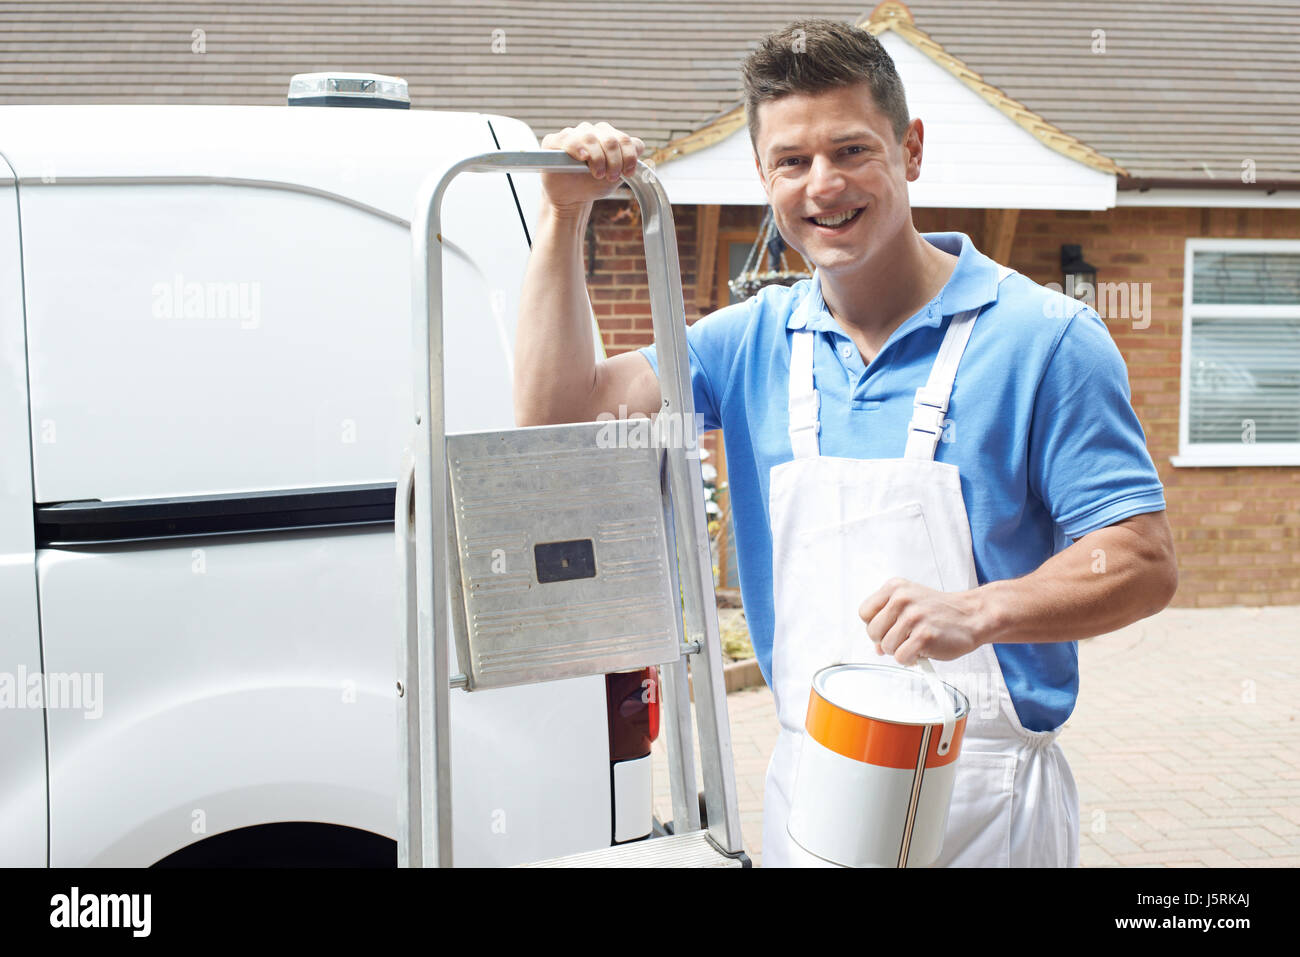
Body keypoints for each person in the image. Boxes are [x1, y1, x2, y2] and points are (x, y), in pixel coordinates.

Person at [515, 18, 1177, 867]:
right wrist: (563, 216)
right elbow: (557, 417)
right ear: (763, 176)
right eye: (792, 161)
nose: (823, 185)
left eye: (852, 150)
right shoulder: (743, 343)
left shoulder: (1048, 339)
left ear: (911, 149)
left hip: (983, 803)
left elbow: (1141, 560)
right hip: (809, 786)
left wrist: (980, 611)